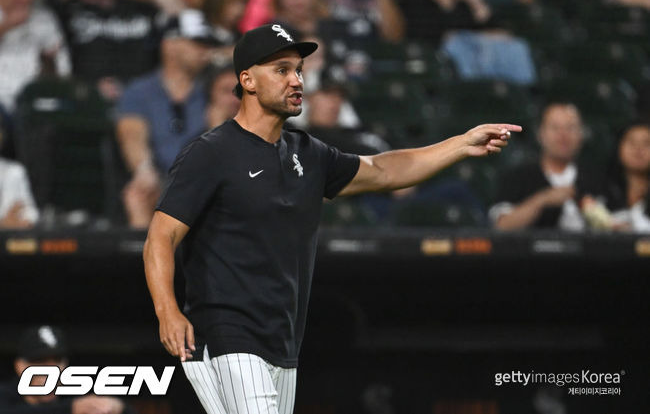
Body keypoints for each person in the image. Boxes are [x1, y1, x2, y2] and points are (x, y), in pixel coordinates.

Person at [142, 23, 520, 414]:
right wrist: (167, 311)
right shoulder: (211, 153)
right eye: (282, 70)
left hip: (283, 339)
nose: (297, 80)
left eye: (299, 70)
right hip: (225, 334)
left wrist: (461, 143)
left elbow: (386, 170)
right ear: (248, 80)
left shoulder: (308, 153)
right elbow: (161, 237)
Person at [115, 9, 217, 228]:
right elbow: (132, 135)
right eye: (197, 42)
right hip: (161, 183)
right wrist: (143, 170)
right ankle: (143, 261)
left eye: (208, 43)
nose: (205, 50)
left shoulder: (214, 88)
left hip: (204, 183)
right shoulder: (140, 91)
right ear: (169, 44)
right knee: (138, 193)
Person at [56, 0, 185, 101]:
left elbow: (181, 14)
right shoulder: (72, 10)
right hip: (88, 99)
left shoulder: (139, 6)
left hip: (143, 99)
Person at [489, 102, 602, 231]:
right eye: (555, 128)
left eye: (570, 128)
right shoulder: (517, 177)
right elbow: (502, 226)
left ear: (582, 134)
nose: (563, 135)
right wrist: (542, 200)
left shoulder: (596, 177)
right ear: (540, 134)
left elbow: (620, 227)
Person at [0, 325, 131, 414]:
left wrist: (120, 407)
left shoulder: (74, 394)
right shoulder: (6, 395)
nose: (52, 370)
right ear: (20, 366)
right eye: (40, 361)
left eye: (57, 361)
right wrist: (70, 408)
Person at [0, 0, 71, 113]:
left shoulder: (44, 18)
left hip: (36, 103)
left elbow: (63, 71)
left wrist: (49, 64)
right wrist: (5, 27)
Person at [603, 122, 650, 232]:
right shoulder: (600, 189)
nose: (638, 149)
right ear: (619, 147)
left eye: (646, 143)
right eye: (632, 142)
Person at [0, 123, 38, 229]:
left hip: (9, 237)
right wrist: (3, 223)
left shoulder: (15, 171)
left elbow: (32, 212)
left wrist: (25, 221)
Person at [205, 65, 241, 130]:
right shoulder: (195, 132)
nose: (235, 99)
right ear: (212, 94)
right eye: (226, 91)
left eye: (239, 91)